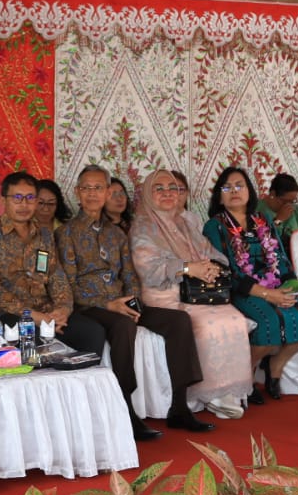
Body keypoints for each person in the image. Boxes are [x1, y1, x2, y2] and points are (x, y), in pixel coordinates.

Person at [59, 165, 212, 437]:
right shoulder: (66, 234)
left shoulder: (116, 234)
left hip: (121, 301)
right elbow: (68, 285)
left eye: (98, 188)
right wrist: (110, 304)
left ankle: (179, 406)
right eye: (86, 188)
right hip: (90, 306)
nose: (92, 194)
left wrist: (132, 301)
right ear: (77, 193)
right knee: (123, 325)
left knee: (178, 320)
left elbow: (130, 274)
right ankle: (126, 409)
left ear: (108, 192)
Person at [130, 170, 252, 420]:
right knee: (206, 324)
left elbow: (211, 252)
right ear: (148, 194)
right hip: (164, 294)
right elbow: (148, 269)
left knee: (233, 318)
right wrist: (188, 268)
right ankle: (211, 393)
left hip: (197, 292)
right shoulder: (142, 226)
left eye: (172, 189)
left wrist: (210, 268)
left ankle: (227, 391)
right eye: (159, 188)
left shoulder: (186, 222)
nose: (167, 193)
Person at [203, 167, 298, 405]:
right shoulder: (214, 226)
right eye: (227, 187)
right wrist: (267, 294)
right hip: (242, 291)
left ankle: (275, 367)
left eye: (239, 186)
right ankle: (248, 375)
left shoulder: (261, 220)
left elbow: (280, 256)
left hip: (274, 287)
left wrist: (288, 286)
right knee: (270, 324)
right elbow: (227, 272)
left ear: (250, 191)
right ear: (219, 195)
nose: (234, 191)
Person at [0, 171, 89, 348]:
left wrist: (63, 309)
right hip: (6, 314)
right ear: (4, 201)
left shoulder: (44, 234)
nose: (24, 204)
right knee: (35, 340)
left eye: (30, 198)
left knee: (91, 333)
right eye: (17, 198)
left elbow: (57, 276)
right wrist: (33, 316)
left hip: (46, 312)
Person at [257, 173, 298, 247]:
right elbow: (262, 238)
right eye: (286, 201)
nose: (289, 205)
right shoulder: (257, 209)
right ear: (273, 194)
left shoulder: (294, 209)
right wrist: (279, 219)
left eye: (293, 201)